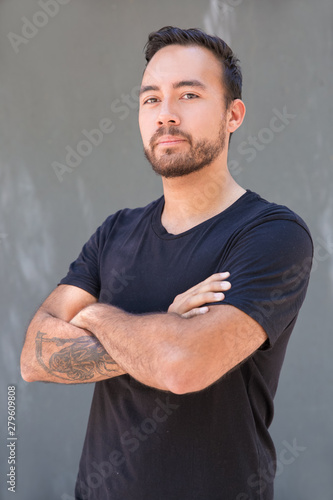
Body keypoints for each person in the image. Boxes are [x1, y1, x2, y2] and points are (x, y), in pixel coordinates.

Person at [21, 26, 313, 500]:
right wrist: (164, 329)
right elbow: (34, 356)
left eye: (189, 95)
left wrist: (93, 315)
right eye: (151, 99)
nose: (166, 115)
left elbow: (183, 368)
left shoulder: (272, 234)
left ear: (233, 114)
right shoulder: (116, 232)